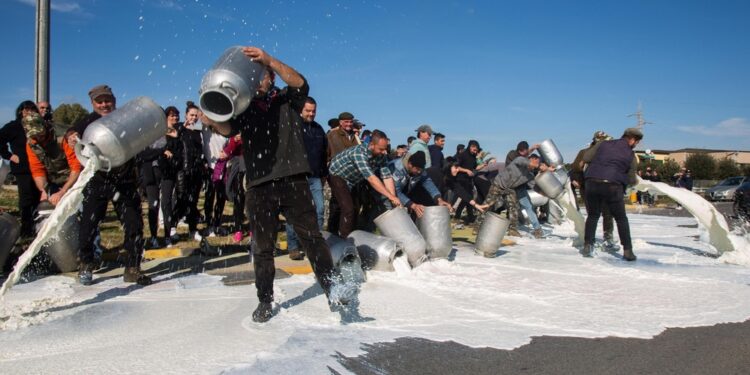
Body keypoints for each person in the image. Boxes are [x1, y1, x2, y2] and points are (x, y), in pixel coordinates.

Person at [200, 46, 353, 322]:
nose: (259, 79)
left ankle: (331, 286)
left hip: (293, 178)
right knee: (262, 246)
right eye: (255, 75)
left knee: (312, 238)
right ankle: (265, 300)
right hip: (259, 185)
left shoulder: (286, 99)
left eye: (264, 74)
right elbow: (228, 129)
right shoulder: (243, 107)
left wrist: (269, 60)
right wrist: (212, 120)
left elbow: (300, 82)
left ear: (270, 77)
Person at [68, 85, 152, 285]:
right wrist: (71, 136)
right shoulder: (86, 122)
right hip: (96, 182)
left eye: (108, 100)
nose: (104, 104)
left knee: (134, 225)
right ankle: (86, 265)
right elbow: (72, 134)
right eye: (100, 101)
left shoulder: (124, 119)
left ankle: (132, 267)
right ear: (93, 103)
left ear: (114, 100)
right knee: (88, 225)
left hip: (125, 182)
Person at [581, 127, 642, 260]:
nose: (636, 145)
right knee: (621, 218)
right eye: (637, 142)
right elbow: (631, 178)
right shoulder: (631, 155)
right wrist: (633, 182)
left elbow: (586, 157)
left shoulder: (603, 144)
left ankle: (587, 245)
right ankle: (628, 251)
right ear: (631, 140)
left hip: (592, 182)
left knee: (593, 215)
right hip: (613, 186)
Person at [328, 129, 401, 238]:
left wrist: (393, 198)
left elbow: (386, 177)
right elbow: (371, 179)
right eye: (381, 149)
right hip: (337, 175)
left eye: (385, 149)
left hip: (353, 180)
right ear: (372, 144)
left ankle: (345, 234)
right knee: (348, 209)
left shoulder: (381, 156)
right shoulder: (359, 153)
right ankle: (344, 241)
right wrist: (390, 196)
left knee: (354, 208)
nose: (383, 152)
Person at [284, 97, 327, 261]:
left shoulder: (318, 129)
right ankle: (293, 246)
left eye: (313, 111)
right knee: (295, 212)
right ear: (301, 110)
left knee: (319, 210)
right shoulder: (293, 127)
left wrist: (323, 174)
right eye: (308, 110)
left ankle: (313, 244)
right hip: (296, 177)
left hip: (315, 176)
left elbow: (323, 153)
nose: (311, 113)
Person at [481, 154, 550, 239]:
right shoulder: (520, 160)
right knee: (488, 204)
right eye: (537, 162)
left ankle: (522, 229)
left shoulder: (530, 175)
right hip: (500, 184)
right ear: (532, 159)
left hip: (514, 189)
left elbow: (534, 187)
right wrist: (542, 166)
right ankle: (478, 225)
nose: (537, 165)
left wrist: (547, 194)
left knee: (520, 208)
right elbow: (531, 163)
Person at [0, 101, 42, 237]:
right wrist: (9, 156)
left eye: (31, 109)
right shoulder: (13, 126)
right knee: (26, 199)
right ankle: (26, 229)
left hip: (39, 168)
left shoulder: (38, 125)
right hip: (22, 168)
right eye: (26, 110)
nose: (28, 112)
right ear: (20, 111)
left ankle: (38, 228)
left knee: (38, 198)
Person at [23, 112, 81, 206]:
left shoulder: (64, 136)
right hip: (55, 181)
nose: (38, 138)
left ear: (45, 125)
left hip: (76, 179)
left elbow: (76, 166)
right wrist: (43, 191)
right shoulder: (31, 144)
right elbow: (37, 170)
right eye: (34, 135)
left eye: (40, 134)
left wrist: (63, 191)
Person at [570, 131, 616, 245]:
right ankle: (589, 239)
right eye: (600, 140)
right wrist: (575, 178)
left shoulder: (610, 153)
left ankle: (608, 236)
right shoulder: (585, 152)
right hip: (588, 187)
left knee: (608, 213)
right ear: (595, 140)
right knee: (593, 214)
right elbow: (575, 168)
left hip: (606, 187)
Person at [171, 102, 205, 242]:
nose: (193, 118)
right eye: (191, 115)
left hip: (196, 170)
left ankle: (193, 229)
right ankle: (172, 227)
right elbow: (173, 142)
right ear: (186, 115)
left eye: (196, 115)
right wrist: (181, 128)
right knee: (181, 199)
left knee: (193, 201)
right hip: (182, 170)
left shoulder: (198, 131)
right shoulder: (179, 127)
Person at [387, 151, 452, 217]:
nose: (419, 172)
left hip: (404, 195)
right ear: (410, 164)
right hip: (387, 195)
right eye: (417, 169)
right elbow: (396, 191)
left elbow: (428, 182)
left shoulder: (420, 170)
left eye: (421, 169)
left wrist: (439, 200)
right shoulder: (396, 169)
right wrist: (413, 205)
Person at [326, 111, 359, 234]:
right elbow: (325, 153)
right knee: (339, 206)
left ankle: (350, 232)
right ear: (340, 122)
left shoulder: (355, 137)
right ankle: (335, 233)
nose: (349, 124)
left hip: (353, 175)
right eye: (346, 121)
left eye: (351, 121)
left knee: (352, 205)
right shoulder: (332, 135)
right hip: (336, 174)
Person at [201, 106, 230, 237]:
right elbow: (202, 114)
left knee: (221, 197)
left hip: (224, 166)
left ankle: (217, 223)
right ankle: (209, 224)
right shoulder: (206, 130)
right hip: (211, 167)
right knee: (209, 196)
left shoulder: (225, 131)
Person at [454, 140, 480, 223]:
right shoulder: (462, 155)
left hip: (468, 180)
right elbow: (456, 167)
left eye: (476, 150)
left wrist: (484, 165)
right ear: (470, 147)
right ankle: (470, 217)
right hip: (461, 179)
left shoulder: (473, 157)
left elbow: (475, 168)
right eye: (474, 150)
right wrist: (466, 171)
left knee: (467, 199)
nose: (475, 152)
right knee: (468, 198)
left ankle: (458, 215)